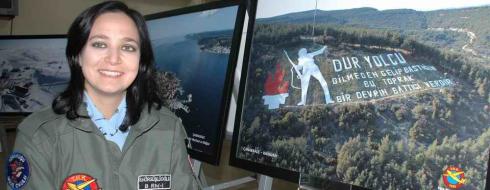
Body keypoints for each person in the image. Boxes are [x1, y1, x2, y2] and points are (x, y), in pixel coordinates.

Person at [6, 1, 200, 189]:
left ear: (140, 61)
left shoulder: (169, 129)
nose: (114, 58)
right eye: (99, 44)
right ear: (78, 55)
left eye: (128, 47)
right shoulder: (39, 135)